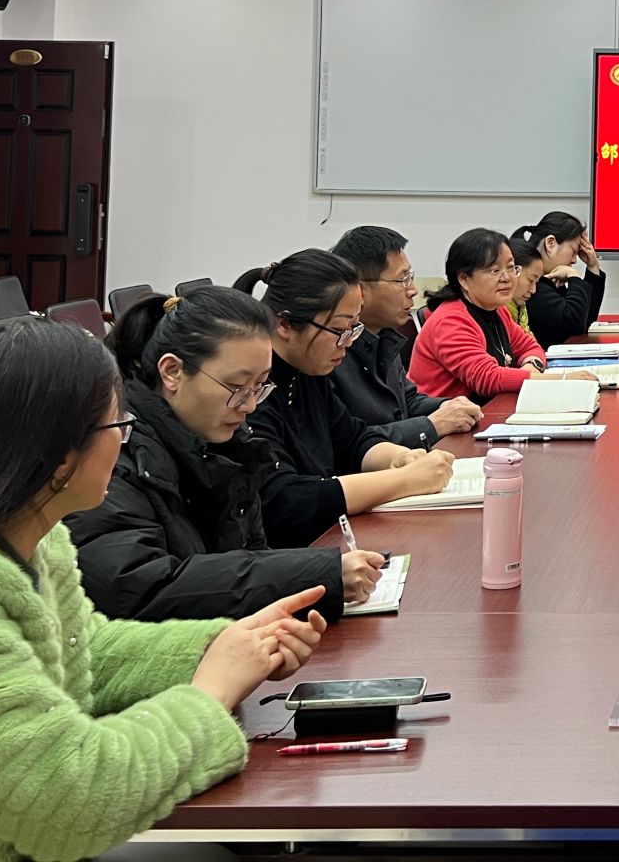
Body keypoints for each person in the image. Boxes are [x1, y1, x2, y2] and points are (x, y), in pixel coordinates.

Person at [0, 318, 326, 862]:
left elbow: (82, 650)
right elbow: (70, 804)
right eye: (118, 425)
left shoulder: (30, 538)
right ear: (58, 455)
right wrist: (210, 691)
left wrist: (227, 645)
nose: (123, 441)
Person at [69, 288, 379, 623]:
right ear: (172, 372)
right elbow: (141, 589)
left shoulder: (230, 446)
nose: (249, 405)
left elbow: (251, 557)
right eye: (236, 387)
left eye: (260, 387)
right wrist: (318, 575)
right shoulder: (113, 454)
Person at [235, 249, 455, 548]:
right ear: (284, 324)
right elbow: (282, 500)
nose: (348, 342)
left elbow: (351, 438)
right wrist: (404, 480)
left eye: (354, 328)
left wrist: (399, 457)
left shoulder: (307, 372)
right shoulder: (252, 392)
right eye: (339, 330)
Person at [329, 224, 480, 448]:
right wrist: (431, 426)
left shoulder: (384, 335)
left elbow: (405, 401)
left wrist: (449, 406)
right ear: (359, 289)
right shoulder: (329, 352)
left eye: (411, 277)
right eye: (402, 280)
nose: (413, 290)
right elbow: (346, 443)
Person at [411, 229, 599, 401]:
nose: (507, 278)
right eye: (495, 271)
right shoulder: (450, 320)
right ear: (464, 278)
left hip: (485, 411)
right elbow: (487, 378)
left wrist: (531, 366)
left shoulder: (497, 310)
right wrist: (561, 379)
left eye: (511, 268)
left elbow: (530, 347)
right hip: (446, 421)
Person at [513, 211, 607, 346]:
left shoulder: (550, 281)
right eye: (574, 252)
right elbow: (574, 327)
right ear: (550, 243)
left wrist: (593, 267)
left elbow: (586, 319)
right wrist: (574, 277)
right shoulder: (534, 287)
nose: (574, 260)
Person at [504, 235, 549, 331]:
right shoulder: (494, 315)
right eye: (531, 280)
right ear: (513, 270)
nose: (533, 290)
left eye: (536, 282)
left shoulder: (520, 310)